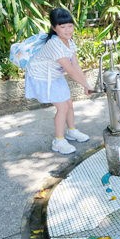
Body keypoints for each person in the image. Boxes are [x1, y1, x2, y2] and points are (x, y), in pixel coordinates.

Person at [25, 8, 95, 154]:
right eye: (62, 27)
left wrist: (86, 84)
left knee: (69, 103)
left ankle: (71, 131)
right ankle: (58, 140)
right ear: (54, 28)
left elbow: (75, 65)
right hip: (41, 77)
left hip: (54, 75)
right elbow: (70, 70)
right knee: (62, 107)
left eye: (70, 26)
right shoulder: (54, 44)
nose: (67, 30)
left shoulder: (69, 41)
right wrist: (86, 85)